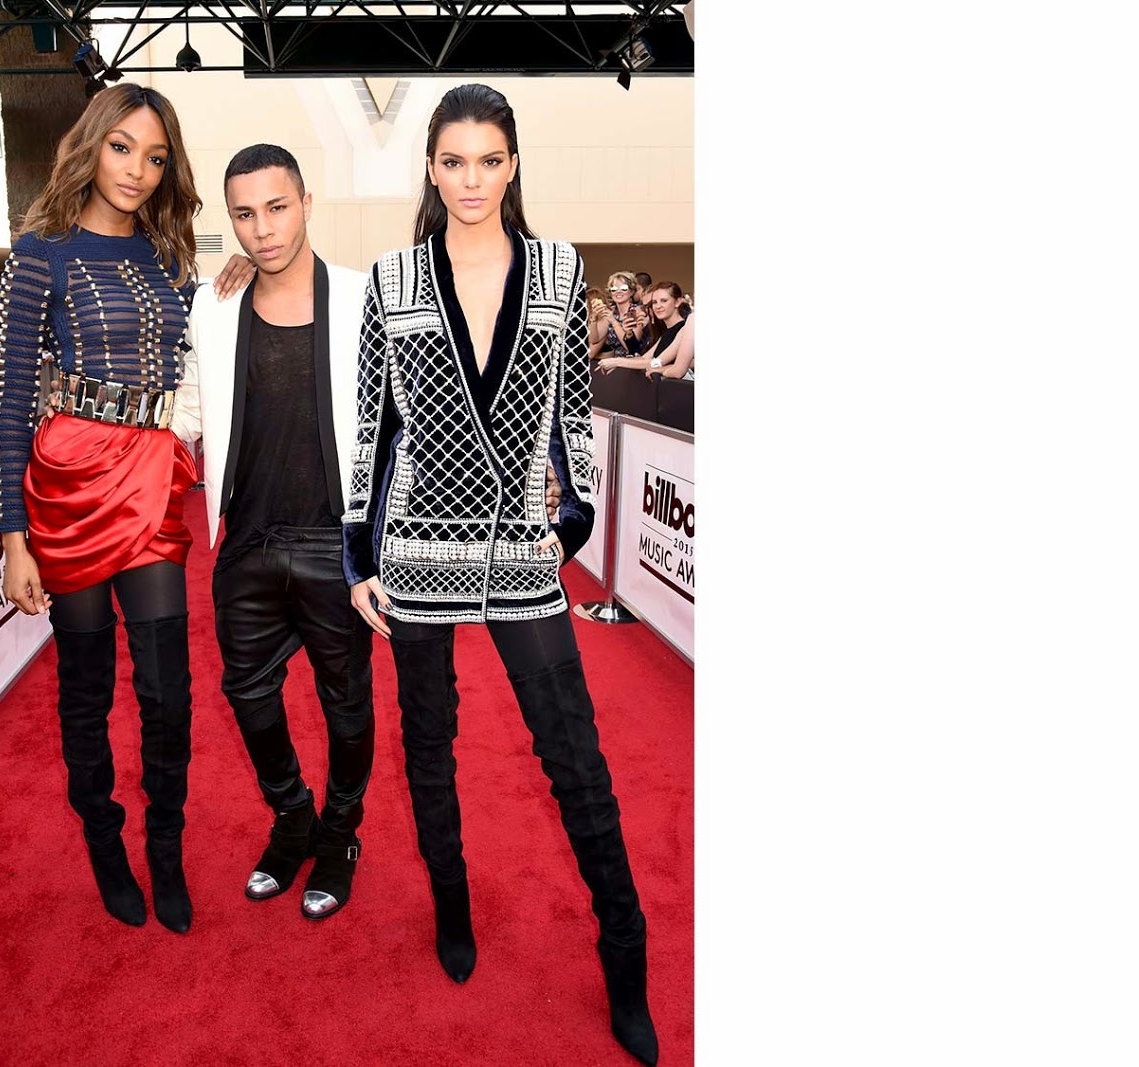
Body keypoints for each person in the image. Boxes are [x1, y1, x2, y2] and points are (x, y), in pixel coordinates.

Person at [342, 83, 658, 1065]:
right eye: (453, 161)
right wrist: (358, 552)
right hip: (415, 545)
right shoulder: (392, 278)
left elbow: (571, 414)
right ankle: (451, 901)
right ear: (431, 169)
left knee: (575, 753)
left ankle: (625, 951)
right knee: (427, 741)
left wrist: (576, 515)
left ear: (512, 165)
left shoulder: (560, 268)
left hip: (521, 543)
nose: (471, 179)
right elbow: (371, 426)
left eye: (488, 160)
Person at [0, 84, 251, 936]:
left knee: (168, 690)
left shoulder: (166, 258)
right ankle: (105, 843)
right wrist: (14, 537)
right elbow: (13, 397)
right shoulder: (42, 253)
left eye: (156, 157)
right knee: (87, 687)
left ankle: (164, 846)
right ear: (92, 145)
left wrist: (237, 282)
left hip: (150, 475)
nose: (138, 169)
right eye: (123, 147)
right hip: (68, 480)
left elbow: (204, 350)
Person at [171, 144, 376, 920]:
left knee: (347, 706)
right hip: (247, 543)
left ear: (307, 203)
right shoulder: (213, 304)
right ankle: (293, 816)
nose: (262, 229)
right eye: (245, 214)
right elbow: (190, 412)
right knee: (248, 694)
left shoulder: (363, 297)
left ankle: (340, 835)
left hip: (336, 544)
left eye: (277, 207)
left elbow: (400, 417)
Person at [643, 282, 693, 381]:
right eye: (654, 302)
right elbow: (652, 360)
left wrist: (617, 361)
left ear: (677, 302)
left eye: (664, 301)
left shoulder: (685, 327)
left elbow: (676, 369)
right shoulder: (666, 331)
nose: (658, 306)